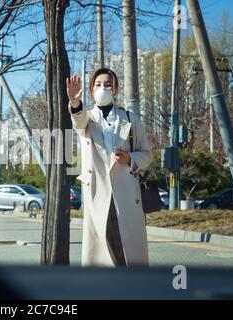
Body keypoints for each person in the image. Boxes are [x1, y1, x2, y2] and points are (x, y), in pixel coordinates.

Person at [66, 68, 152, 267]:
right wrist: (74, 102)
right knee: (102, 243)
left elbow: (147, 154)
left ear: (115, 90)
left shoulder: (130, 118)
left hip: (126, 192)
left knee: (126, 247)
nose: (103, 88)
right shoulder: (87, 118)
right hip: (97, 190)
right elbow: (78, 121)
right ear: (91, 89)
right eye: (98, 84)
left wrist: (130, 158)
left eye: (108, 84)